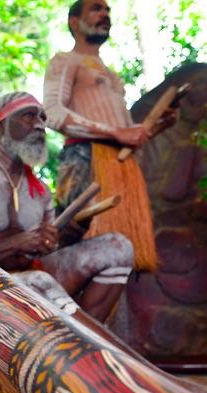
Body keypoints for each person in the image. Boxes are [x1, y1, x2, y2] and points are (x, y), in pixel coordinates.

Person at [0, 92, 134, 323]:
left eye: (42, 118)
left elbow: (46, 250)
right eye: (29, 116)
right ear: (0, 127)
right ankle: (83, 347)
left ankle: (85, 337)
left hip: (32, 279)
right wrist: (16, 243)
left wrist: (72, 232)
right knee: (40, 282)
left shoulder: (40, 190)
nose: (40, 125)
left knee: (118, 247)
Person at [43, 0, 178, 271]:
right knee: (79, 248)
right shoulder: (66, 60)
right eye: (96, 8)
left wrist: (158, 125)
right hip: (85, 159)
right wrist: (116, 132)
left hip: (122, 167)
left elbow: (129, 136)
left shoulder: (113, 77)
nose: (104, 14)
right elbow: (53, 112)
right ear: (74, 22)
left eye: (107, 10)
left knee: (126, 256)